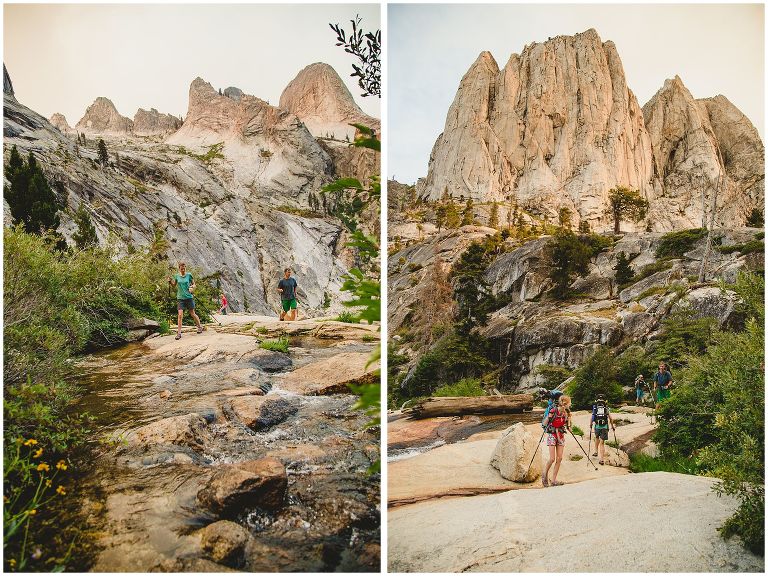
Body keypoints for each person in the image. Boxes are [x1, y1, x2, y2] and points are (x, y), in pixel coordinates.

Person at [542, 394, 572, 487]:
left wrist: (569, 423)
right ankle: (544, 475)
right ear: (565, 404)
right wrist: (549, 416)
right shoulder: (553, 410)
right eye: (569, 404)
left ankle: (554, 480)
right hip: (552, 435)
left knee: (559, 458)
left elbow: (568, 426)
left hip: (561, 435)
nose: (569, 406)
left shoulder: (566, 413)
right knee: (552, 459)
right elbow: (544, 423)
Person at [168, 262, 203, 340]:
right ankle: (179, 333)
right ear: (179, 268)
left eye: (184, 268)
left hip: (189, 297)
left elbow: (194, 284)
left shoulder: (189, 275)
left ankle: (199, 327)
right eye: (181, 268)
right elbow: (174, 285)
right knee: (180, 315)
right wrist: (170, 282)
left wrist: (192, 287)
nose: (183, 270)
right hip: (180, 298)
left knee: (192, 314)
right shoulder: (176, 276)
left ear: (185, 267)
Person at [589, 394, 615, 465]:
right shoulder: (606, 407)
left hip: (597, 426)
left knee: (597, 437)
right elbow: (610, 418)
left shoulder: (595, 407)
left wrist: (590, 424)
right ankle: (601, 460)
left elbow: (592, 416)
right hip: (604, 427)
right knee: (602, 443)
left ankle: (596, 451)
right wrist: (612, 426)